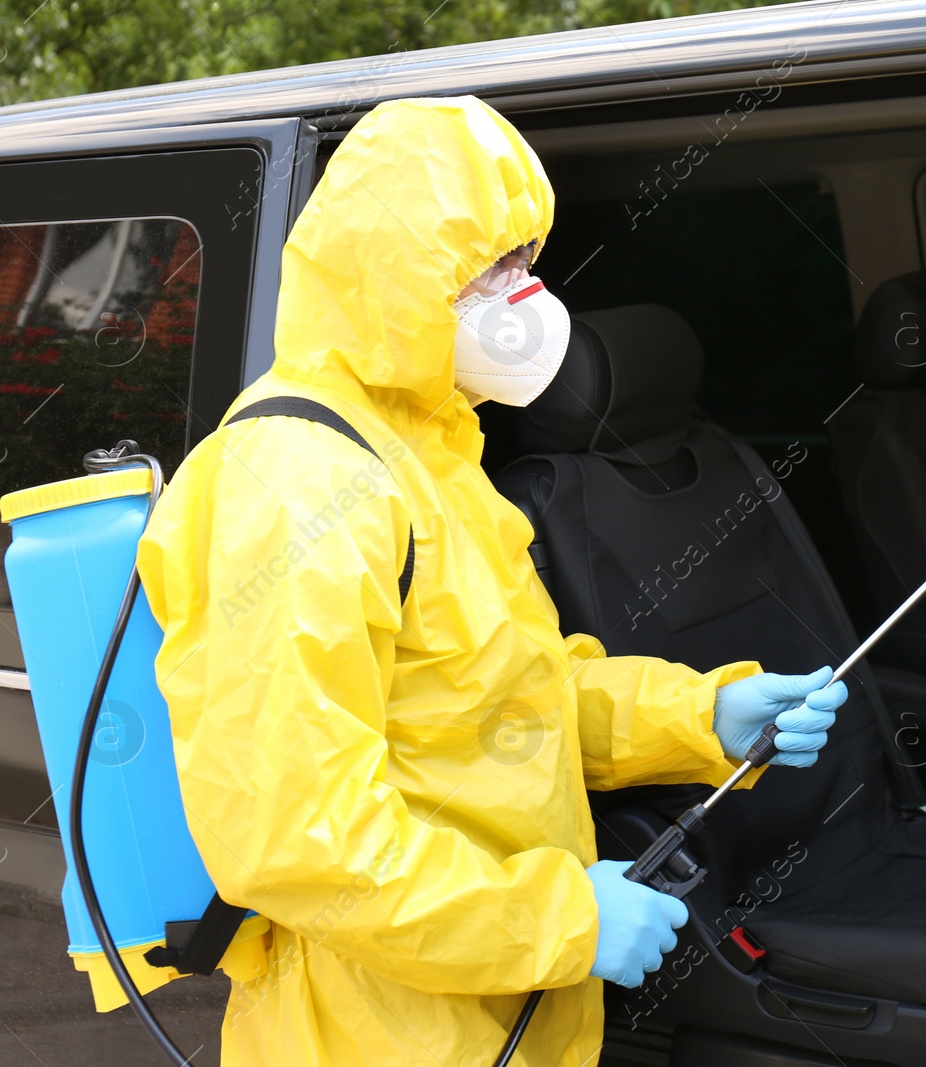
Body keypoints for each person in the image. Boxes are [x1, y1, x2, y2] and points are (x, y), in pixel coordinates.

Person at [136, 95, 846, 1067]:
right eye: (492, 268)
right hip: (375, 1029)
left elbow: (515, 700)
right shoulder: (299, 481)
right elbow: (299, 838)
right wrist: (557, 918)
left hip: (498, 1009)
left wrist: (705, 715)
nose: (526, 297)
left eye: (525, 261)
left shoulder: (431, 454)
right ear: (394, 273)